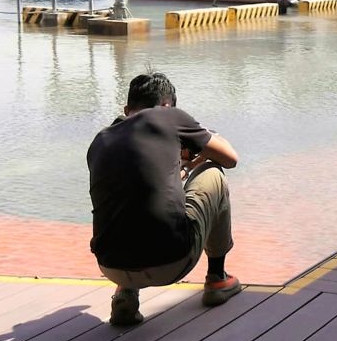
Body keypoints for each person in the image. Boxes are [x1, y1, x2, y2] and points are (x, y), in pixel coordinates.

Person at [87, 72, 241, 326]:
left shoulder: (101, 140)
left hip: (110, 265)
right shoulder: (170, 117)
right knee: (214, 173)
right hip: (171, 262)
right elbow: (230, 158)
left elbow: (144, 186)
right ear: (168, 106)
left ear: (127, 109)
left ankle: (125, 292)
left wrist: (179, 168)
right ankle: (217, 278)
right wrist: (200, 155)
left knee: (123, 200)